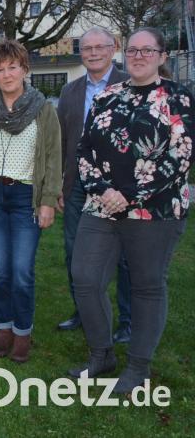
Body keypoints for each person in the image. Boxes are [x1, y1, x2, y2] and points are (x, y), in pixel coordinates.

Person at [69, 27, 193, 393]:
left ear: (162, 56)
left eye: (147, 50)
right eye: (133, 50)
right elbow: (85, 151)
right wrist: (104, 190)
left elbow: (180, 156)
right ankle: (102, 354)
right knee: (86, 279)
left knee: (146, 286)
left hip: (154, 212)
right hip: (102, 207)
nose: (138, 56)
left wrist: (130, 195)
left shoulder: (178, 98)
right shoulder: (107, 97)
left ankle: (138, 367)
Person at [0, 39, 61, 363]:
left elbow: (53, 158)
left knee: (21, 270)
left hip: (24, 198)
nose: (6, 75)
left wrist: (47, 200)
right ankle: (4, 328)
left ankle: (23, 332)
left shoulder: (43, 110)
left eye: (12, 67)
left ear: (24, 69)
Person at [55, 27, 131, 339]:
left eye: (100, 47)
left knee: (126, 258)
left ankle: (128, 321)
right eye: (87, 48)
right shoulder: (70, 92)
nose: (93, 53)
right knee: (76, 253)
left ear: (113, 48)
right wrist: (58, 183)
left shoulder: (130, 84)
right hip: (77, 187)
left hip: (121, 189)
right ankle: (84, 311)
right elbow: (61, 141)